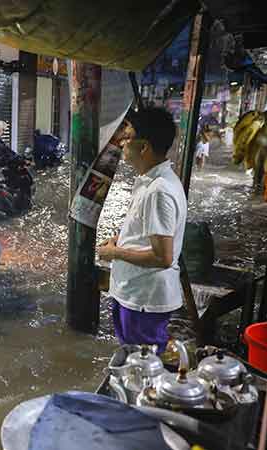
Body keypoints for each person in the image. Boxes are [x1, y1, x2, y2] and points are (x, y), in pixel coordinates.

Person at [97, 107, 187, 354]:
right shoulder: (152, 182)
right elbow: (146, 232)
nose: (123, 144)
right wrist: (118, 239)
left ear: (144, 147)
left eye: (127, 139)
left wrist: (115, 253)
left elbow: (163, 257)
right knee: (134, 361)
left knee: (142, 366)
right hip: (134, 293)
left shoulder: (158, 191)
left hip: (143, 298)